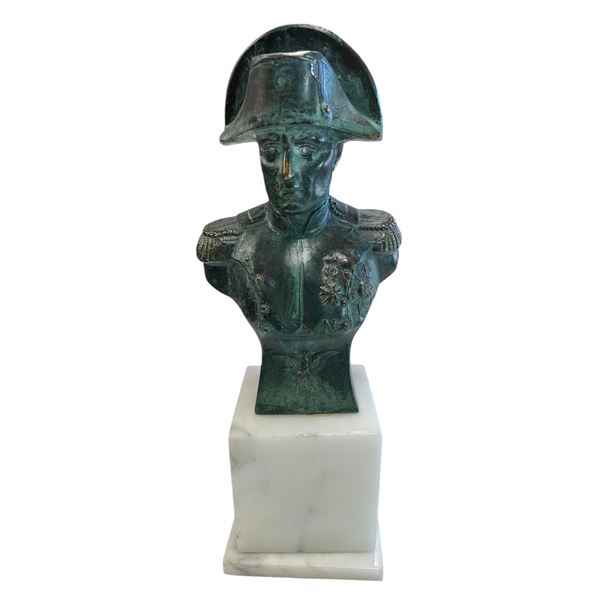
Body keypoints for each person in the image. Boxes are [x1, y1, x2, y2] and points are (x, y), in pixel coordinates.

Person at [197, 43, 400, 415]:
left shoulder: (372, 241)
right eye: (271, 151)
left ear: (336, 153)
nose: (288, 172)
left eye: (307, 149)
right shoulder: (228, 245)